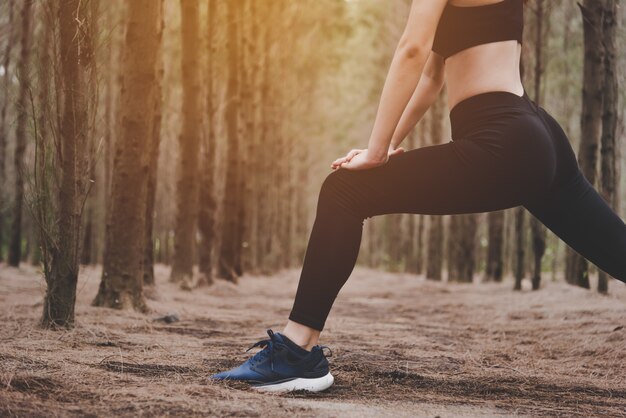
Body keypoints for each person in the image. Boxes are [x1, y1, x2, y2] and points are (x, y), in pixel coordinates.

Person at [210, 0, 626, 392]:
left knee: (343, 190)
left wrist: (374, 153)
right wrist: (387, 146)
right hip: (537, 134)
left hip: (503, 138)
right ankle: (294, 353)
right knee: (614, 247)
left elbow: (411, 50)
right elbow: (431, 77)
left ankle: (295, 353)